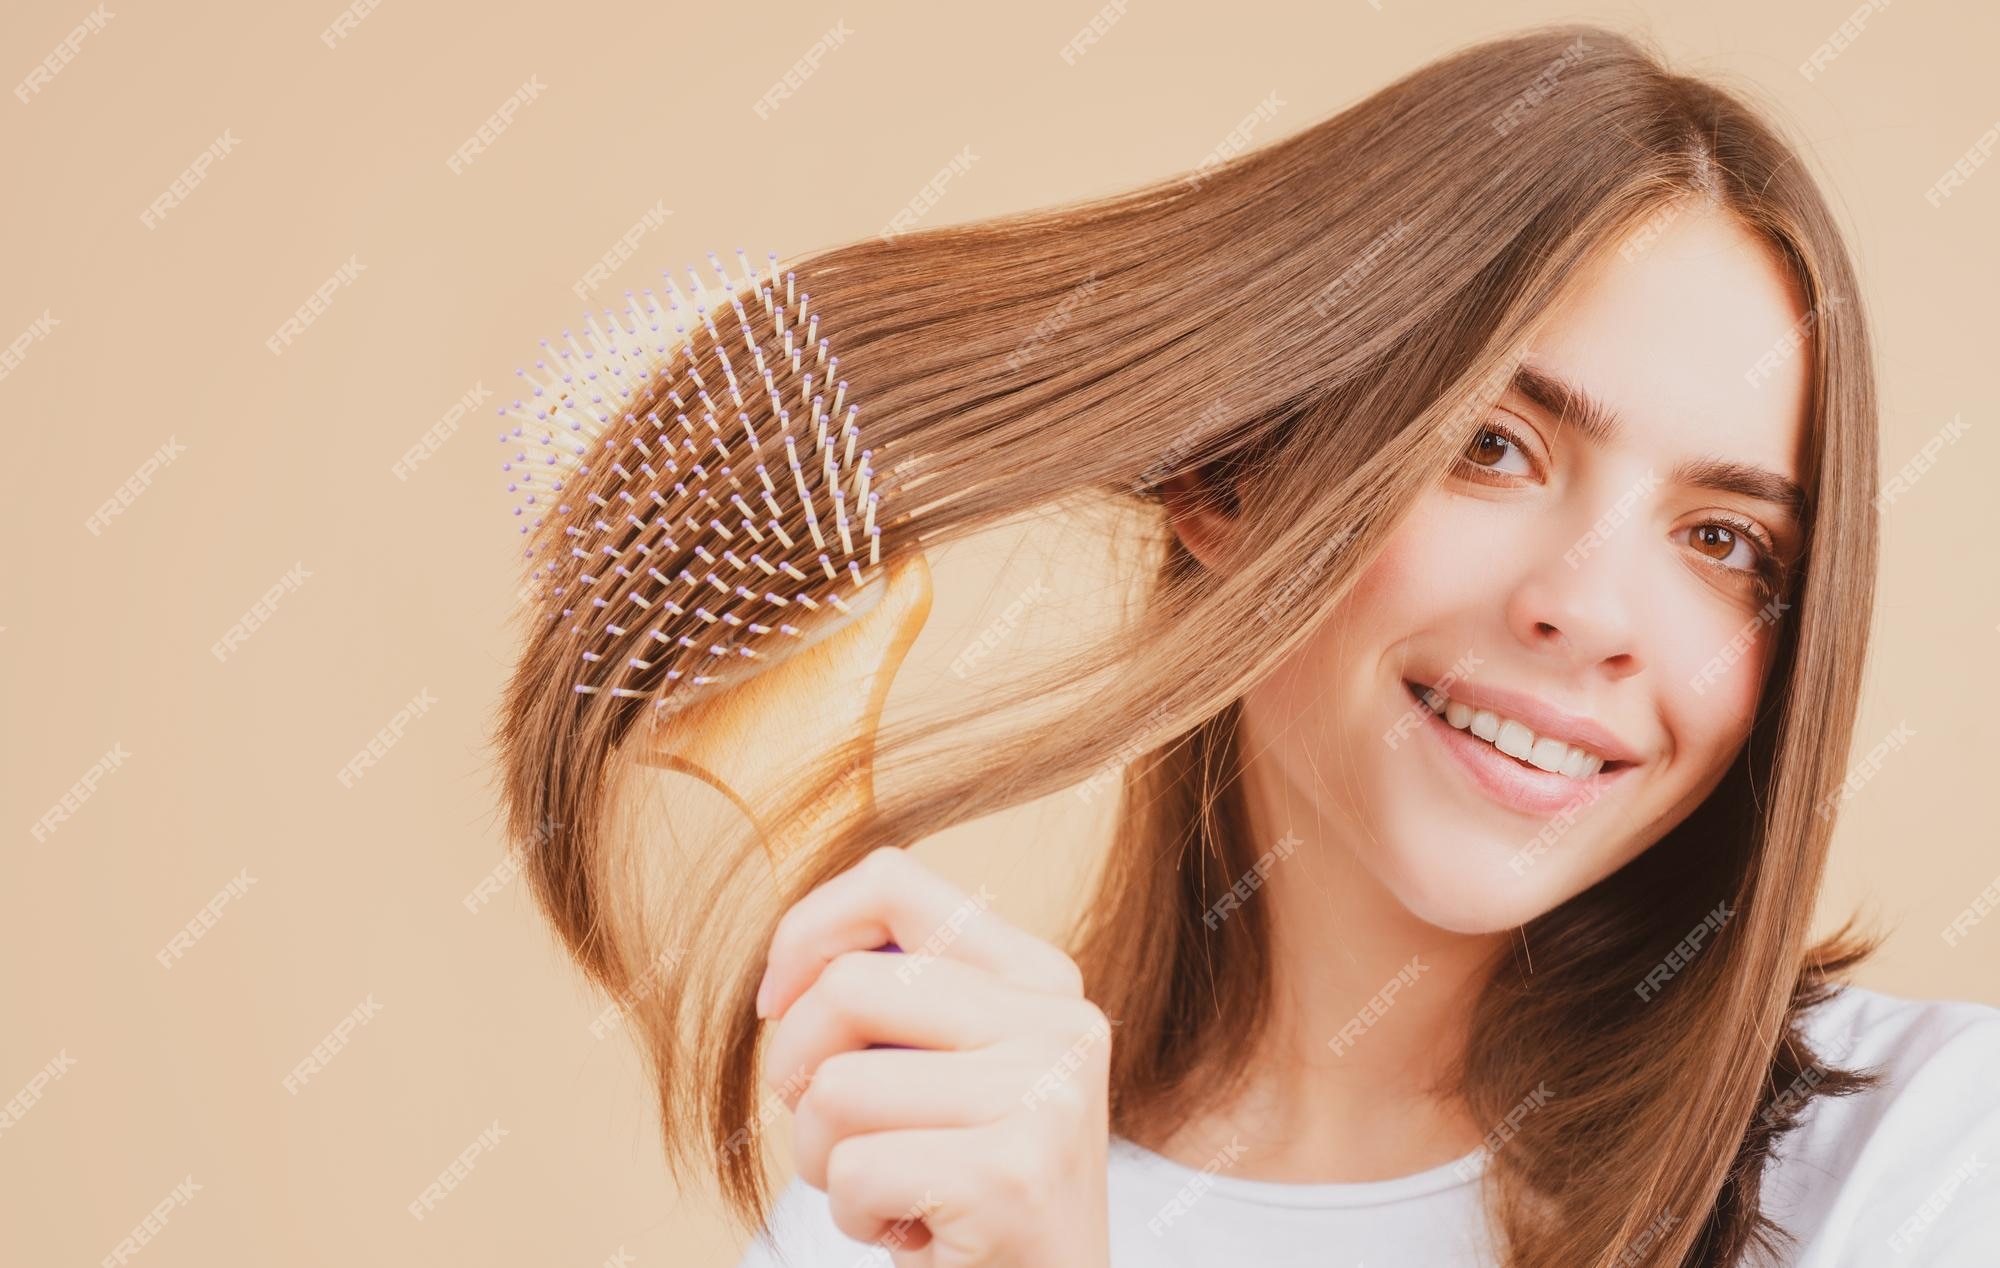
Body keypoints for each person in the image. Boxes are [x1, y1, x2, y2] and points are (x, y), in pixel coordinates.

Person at [494, 22, 2000, 1268]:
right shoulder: (882, 1218)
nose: (1592, 613)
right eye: (1490, 445)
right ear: (1237, 474)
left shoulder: (1931, 1166)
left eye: (1726, 541)